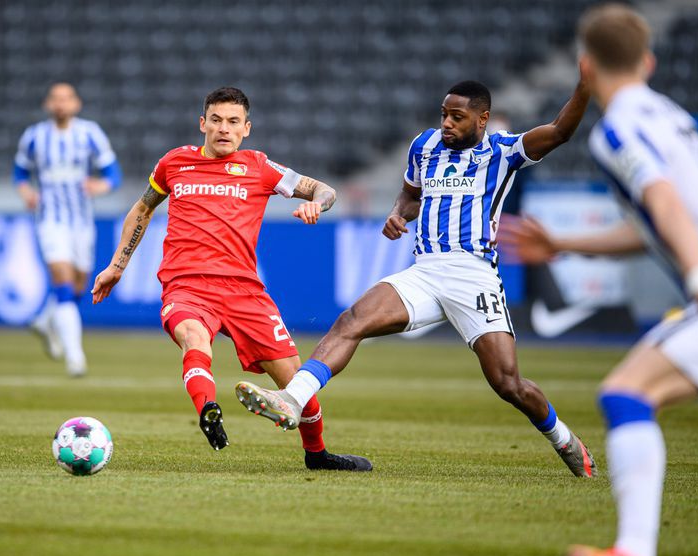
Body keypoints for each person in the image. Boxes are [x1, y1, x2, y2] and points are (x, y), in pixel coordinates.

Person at [498, 5, 698, 556]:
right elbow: (658, 223)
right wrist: (564, 243)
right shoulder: (668, 114)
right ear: (648, 61)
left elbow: (666, 204)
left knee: (625, 394)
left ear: (585, 67)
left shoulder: (618, 129)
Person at [236, 76, 597, 477]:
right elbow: (410, 195)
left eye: (457, 117)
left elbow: (562, 131)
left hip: (473, 275)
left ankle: (564, 439)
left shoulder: (505, 150)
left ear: (483, 119)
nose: (447, 123)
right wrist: (396, 213)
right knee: (352, 320)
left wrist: (584, 87)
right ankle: (292, 399)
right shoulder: (424, 146)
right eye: (444, 114)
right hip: (425, 271)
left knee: (508, 383)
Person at [91, 87, 371, 471]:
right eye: (217, 120)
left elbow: (325, 189)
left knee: (297, 383)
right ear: (202, 123)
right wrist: (117, 266)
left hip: (244, 292)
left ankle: (317, 454)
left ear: (247, 129)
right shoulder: (174, 164)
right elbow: (143, 207)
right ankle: (208, 408)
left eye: (233, 122)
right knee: (194, 337)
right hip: (186, 285)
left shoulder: (260, 167)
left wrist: (316, 204)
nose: (224, 128)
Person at [14, 82, 122, 377]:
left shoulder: (90, 134)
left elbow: (114, 173)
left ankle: (44, 321)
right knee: (62, 284)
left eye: (66, 99)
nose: (61, 104)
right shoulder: (34, 137)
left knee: (77, 286)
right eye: (55, 99)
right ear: (48, 104)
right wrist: (26, 193)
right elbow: (20, 172)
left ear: (76, 104)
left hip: (81, 221)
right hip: (50, 219)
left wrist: (100, 185)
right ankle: (76, 358)